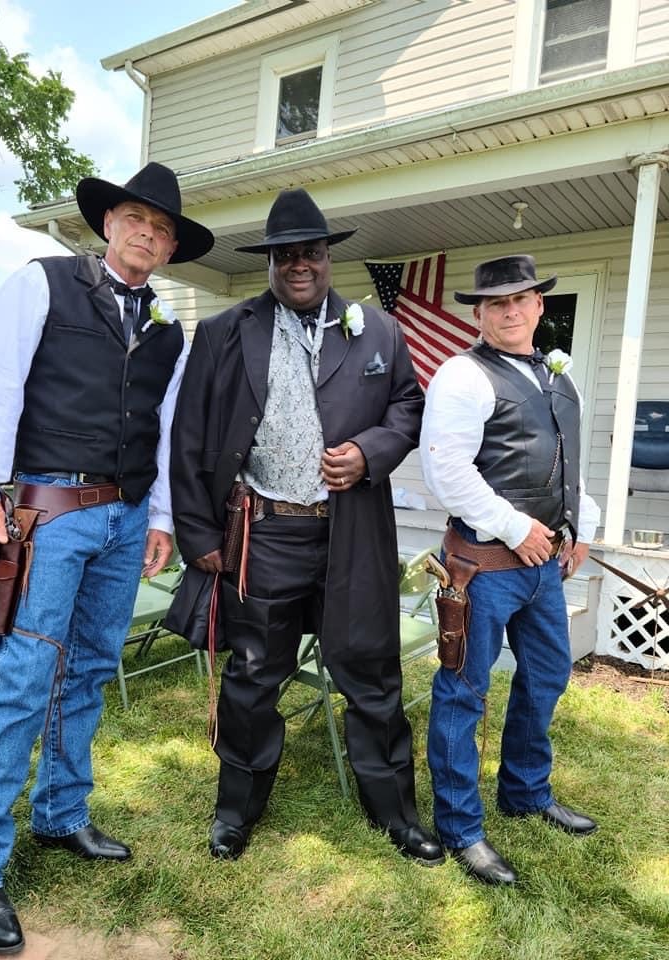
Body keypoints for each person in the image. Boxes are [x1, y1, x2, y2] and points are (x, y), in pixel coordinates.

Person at [0, 162, 213, 954]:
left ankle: (62, 814)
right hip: (48, 511)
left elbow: (166, 431)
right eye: (137, 218)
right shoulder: (44, 285)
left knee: (91, 670)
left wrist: (160, 515)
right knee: (21, 679)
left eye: (162, 229)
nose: (148, 234)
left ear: (168, 248)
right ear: (109, 224)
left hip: (126, 519)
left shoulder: (170, 330)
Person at [170, 187, 443, 867]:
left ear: (328, 257)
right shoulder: (224, 331)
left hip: (354, 532)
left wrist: (372, 451)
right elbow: (189, 435)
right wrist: (197, 534)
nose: (299, 264)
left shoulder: (376, 328)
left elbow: (409, 405)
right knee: (254, 675)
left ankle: (397, 814)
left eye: (311, 252)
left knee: (372, 674)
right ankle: (236, 811)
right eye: (284, 254)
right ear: (269, 261)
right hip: (265, 533)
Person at [419, 254, 601, 885]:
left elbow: (567, 464)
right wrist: (517, 528)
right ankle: (460, 827)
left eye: (521, 299)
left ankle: (525, 791)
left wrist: (582, 527)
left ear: (540, 305)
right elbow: (447, 471)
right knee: (465, 692)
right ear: (480, 313)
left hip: (545, 568)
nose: (511, 311)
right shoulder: (462, 375)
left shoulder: (559, 380)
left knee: (548, 674)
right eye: (497, 303)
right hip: (482, 567)